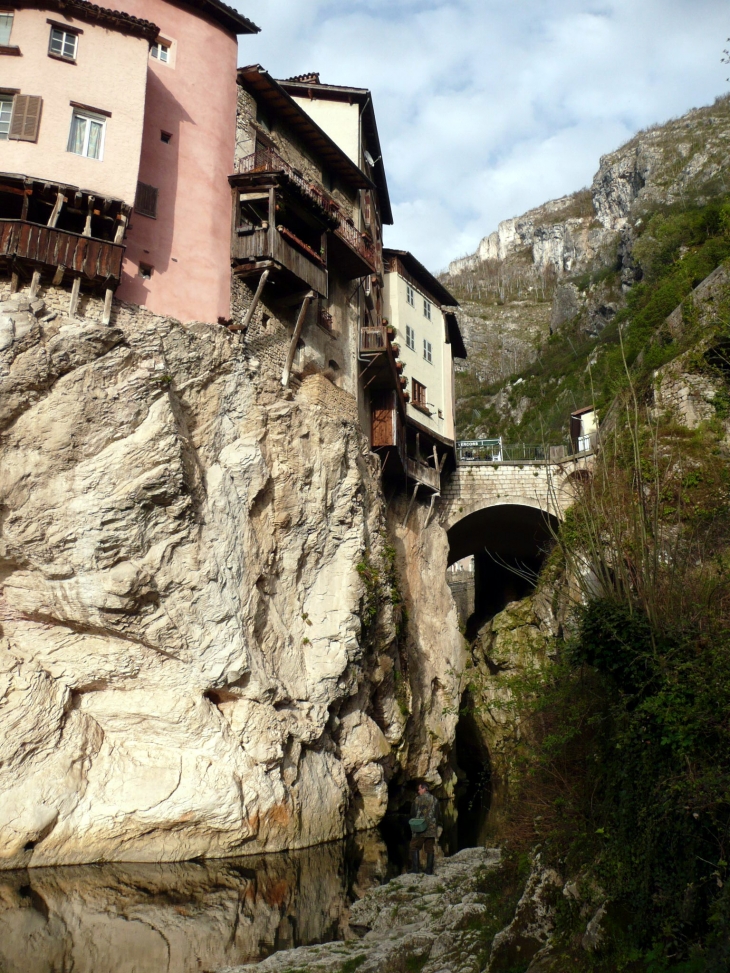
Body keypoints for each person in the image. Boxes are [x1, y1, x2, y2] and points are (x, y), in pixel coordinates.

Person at [409, 782, 439, 874]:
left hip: (419, 827)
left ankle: (415, 869)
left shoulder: (417, 800)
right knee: (429, 848)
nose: (418, 791)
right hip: (431, 828)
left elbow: (412, 813)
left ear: (424, 789)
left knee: (414, 846)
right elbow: (438, 814)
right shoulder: (435, 799)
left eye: (419, 789)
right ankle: (429, 870)